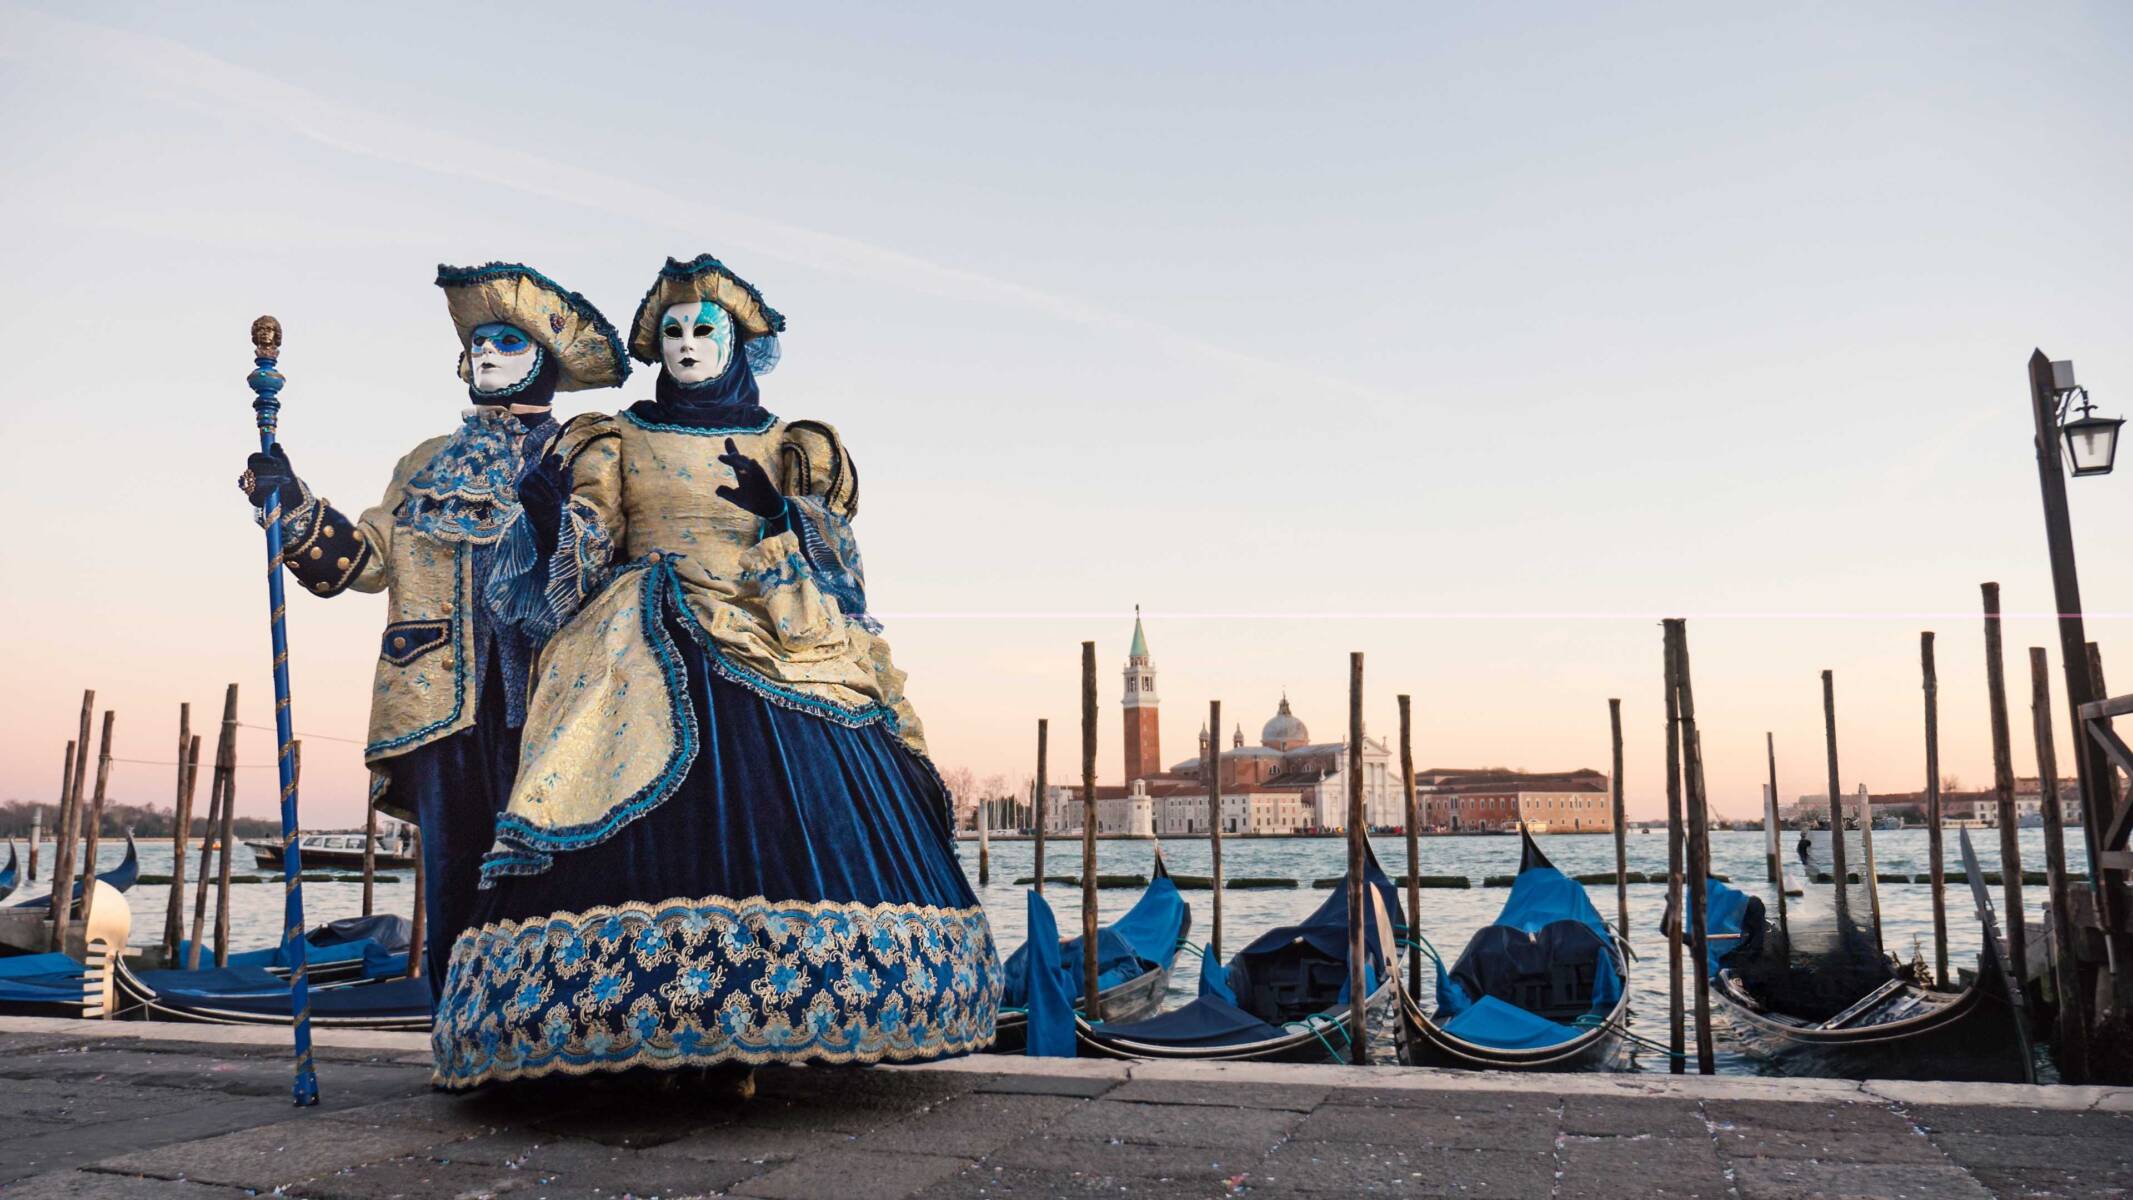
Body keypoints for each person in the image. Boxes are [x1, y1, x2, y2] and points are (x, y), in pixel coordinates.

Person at [431, 253, 997, 1090]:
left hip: (774, 622)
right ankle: (638, 1026)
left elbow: (838, 570)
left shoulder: (792, 444)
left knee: (785, 802)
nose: (689, 343)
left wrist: (778, 514)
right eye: (674, 331)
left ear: (737, 344)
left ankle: (785, 1022)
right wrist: (555, 520)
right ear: (655, 345)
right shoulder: (615, 437)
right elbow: (587, 545)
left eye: (705, 330)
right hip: (645, 626)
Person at [238, 263, 628, 985]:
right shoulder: (425, 464)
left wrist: (554, 524)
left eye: (506, 340)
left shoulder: (585, 452)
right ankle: (456, 1031)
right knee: (452, 872)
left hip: (551, 699)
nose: (485, 354)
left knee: (553, 869)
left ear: (543, 355)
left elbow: (606, 562)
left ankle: (543, 1031)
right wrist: (292, 503)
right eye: (478, 341)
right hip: (442, 701)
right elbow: (366, 561)